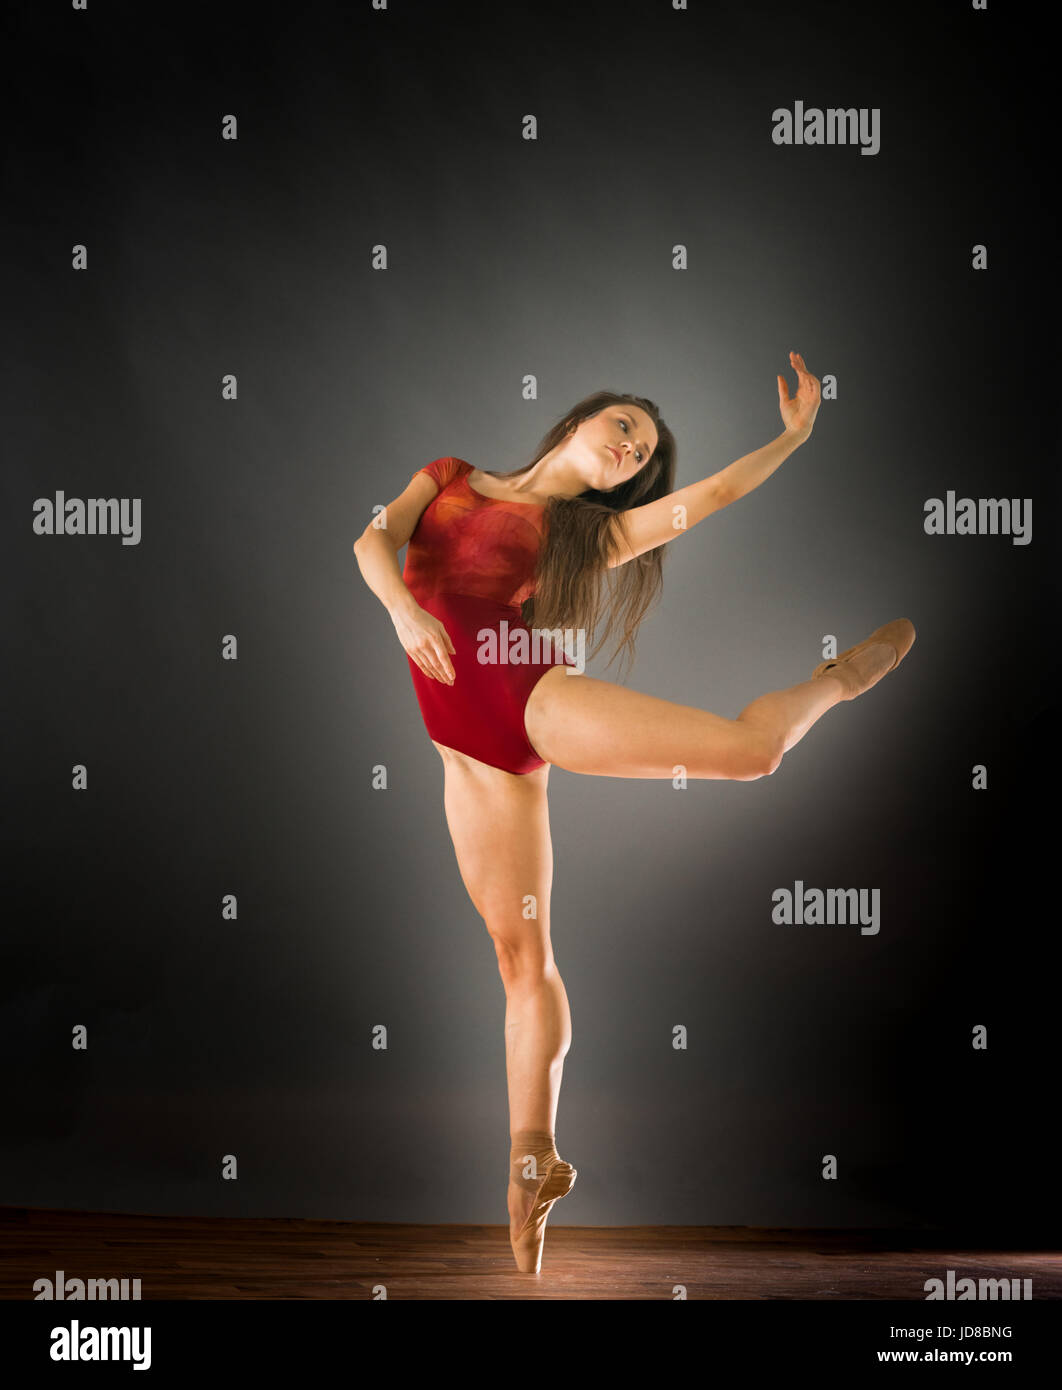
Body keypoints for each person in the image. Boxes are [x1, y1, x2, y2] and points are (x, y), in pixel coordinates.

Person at [353, 352, 915, 1273]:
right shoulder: (451, 476)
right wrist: (402, 618)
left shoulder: (588, 537)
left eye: (644, 453)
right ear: (578, 421)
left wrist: (792, 436)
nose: (631, 451)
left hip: (528, 703)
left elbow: (718, 494)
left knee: (752, 753)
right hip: (465, 759)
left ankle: (834, 682)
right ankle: (528, 1162)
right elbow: (372, 542)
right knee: (520, 958)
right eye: (623, 428)